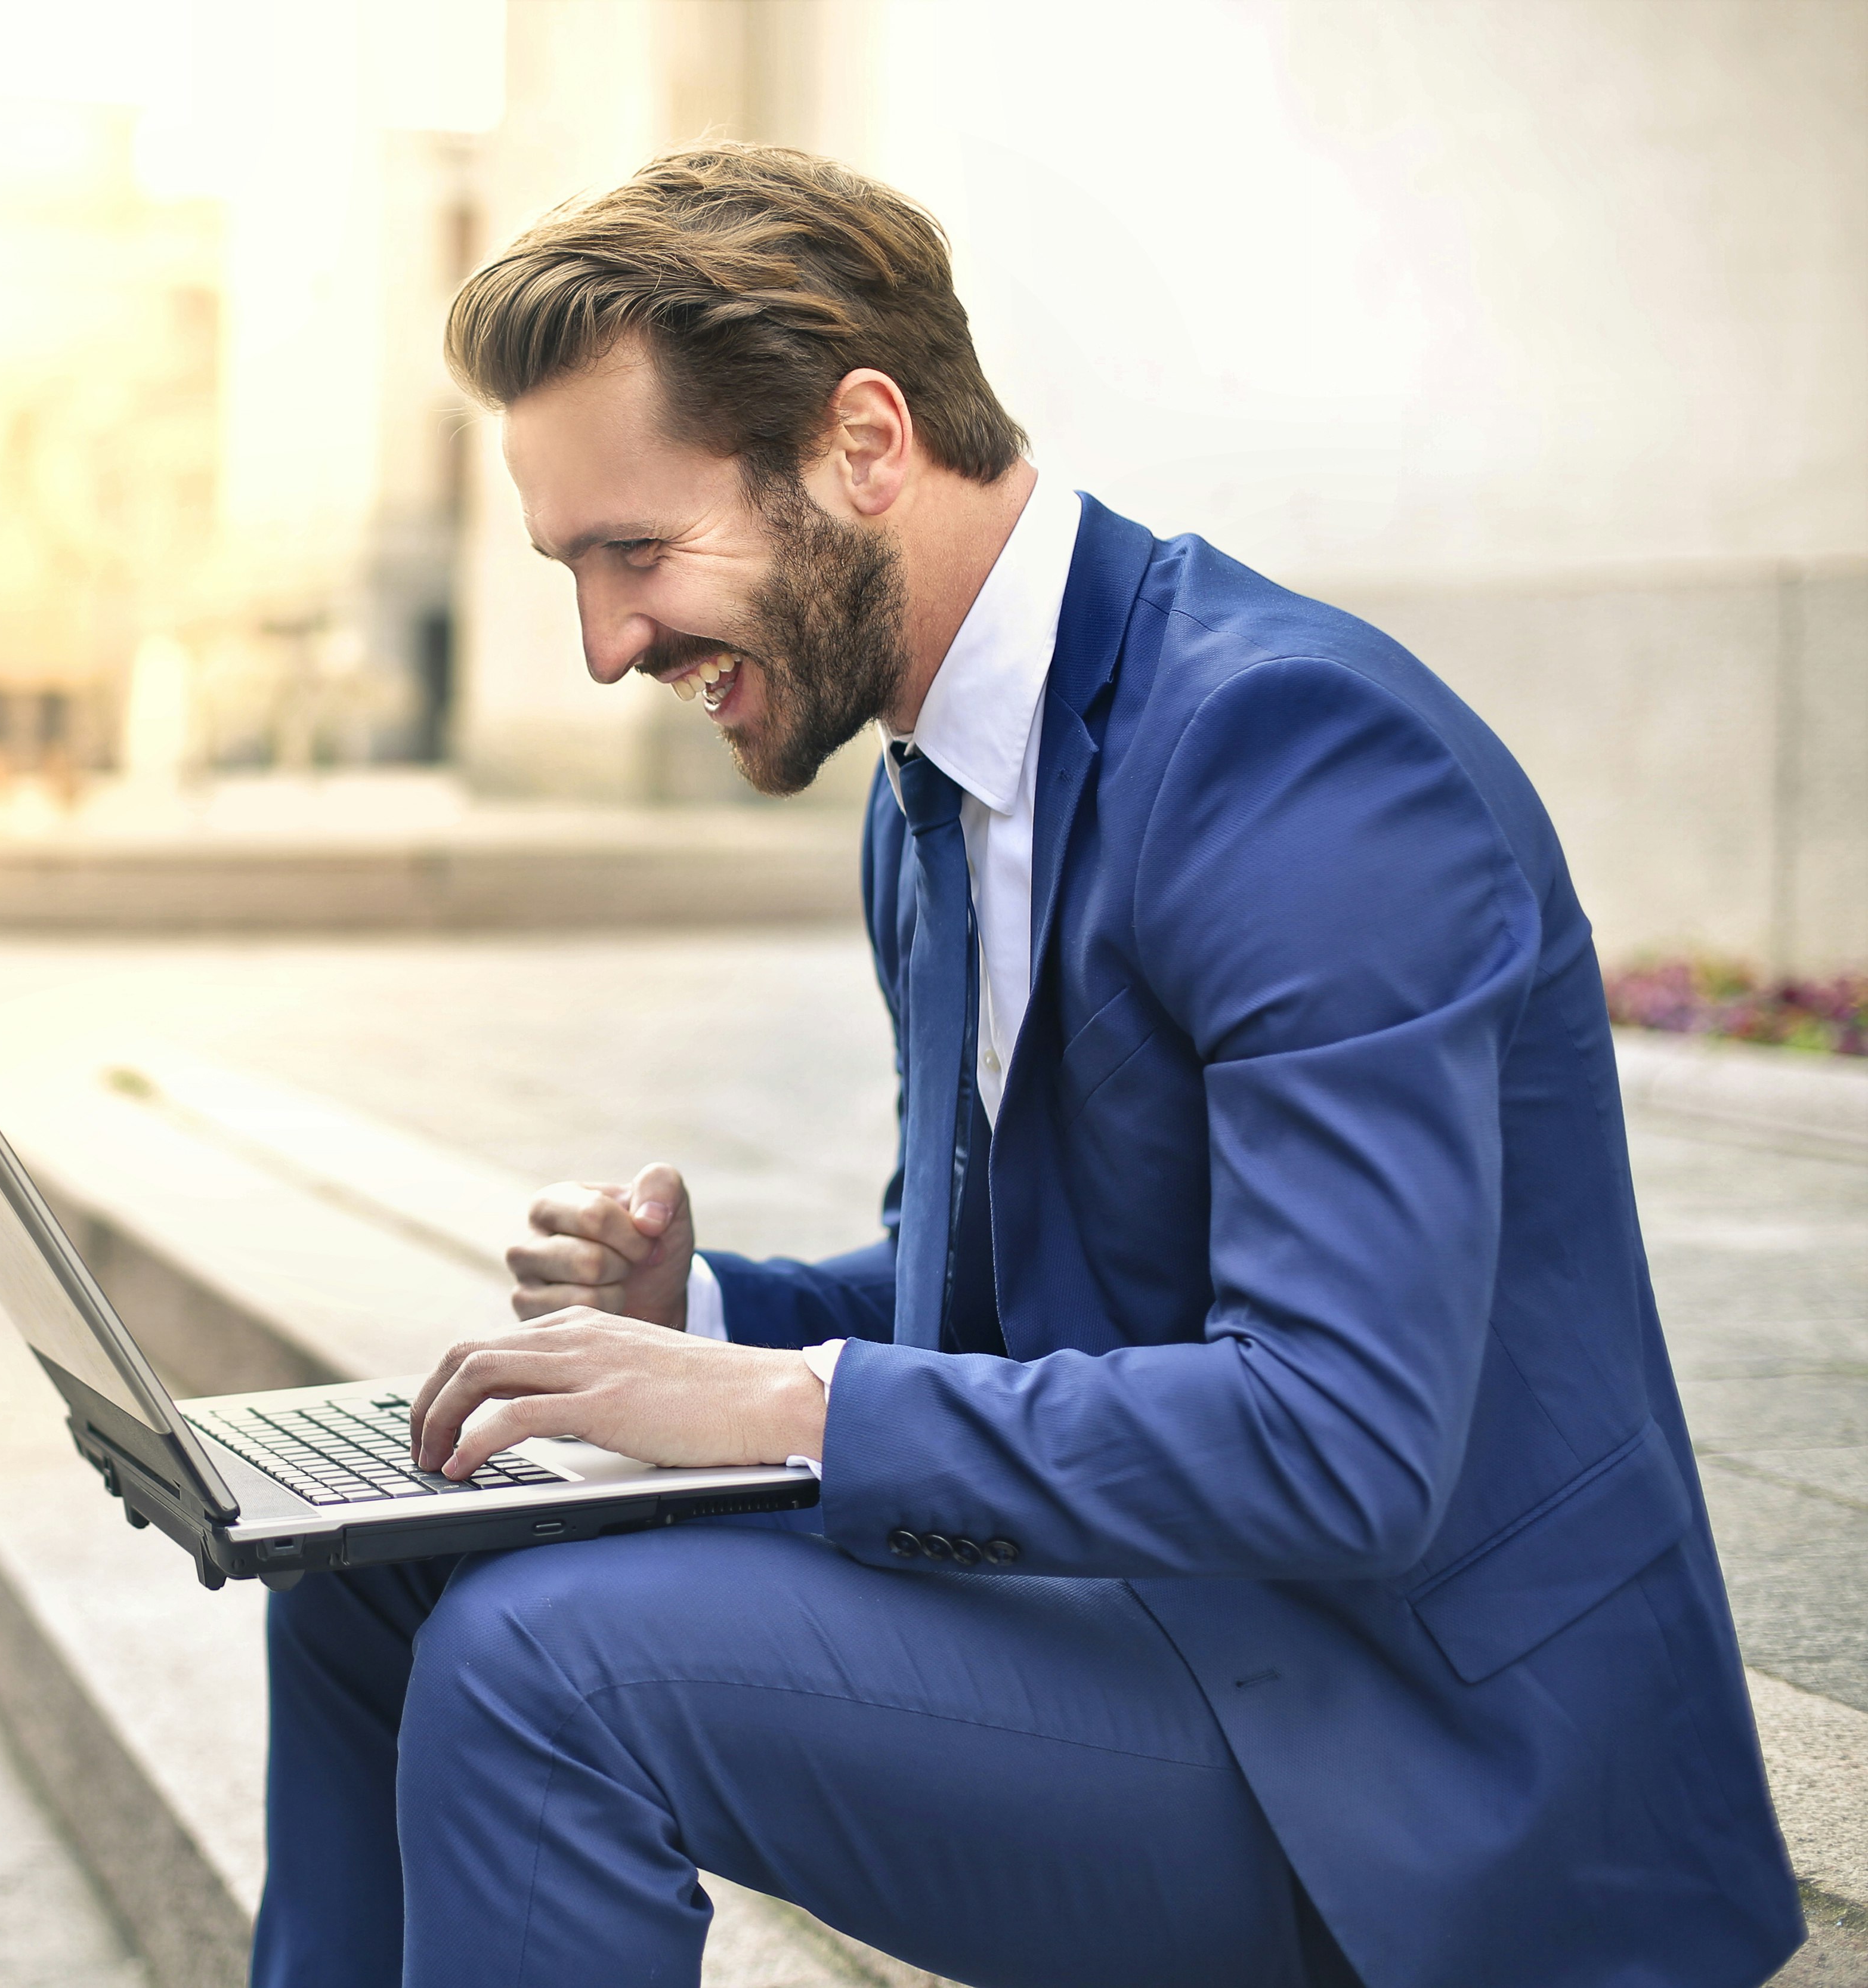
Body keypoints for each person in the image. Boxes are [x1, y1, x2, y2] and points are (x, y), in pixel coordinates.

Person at [255, 146, 1803, 1988]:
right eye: (572, 568)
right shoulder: (925, 795)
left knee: (547, 1669)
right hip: (1159, 1629)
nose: (605, 649)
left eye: (638, 553)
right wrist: (714, 1321)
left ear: (865, 443)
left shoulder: (1297, 759)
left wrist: (777, 1404)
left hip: (1419, 1770)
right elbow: (1011, 1306)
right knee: (367, 1577)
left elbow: (1340, 1442)